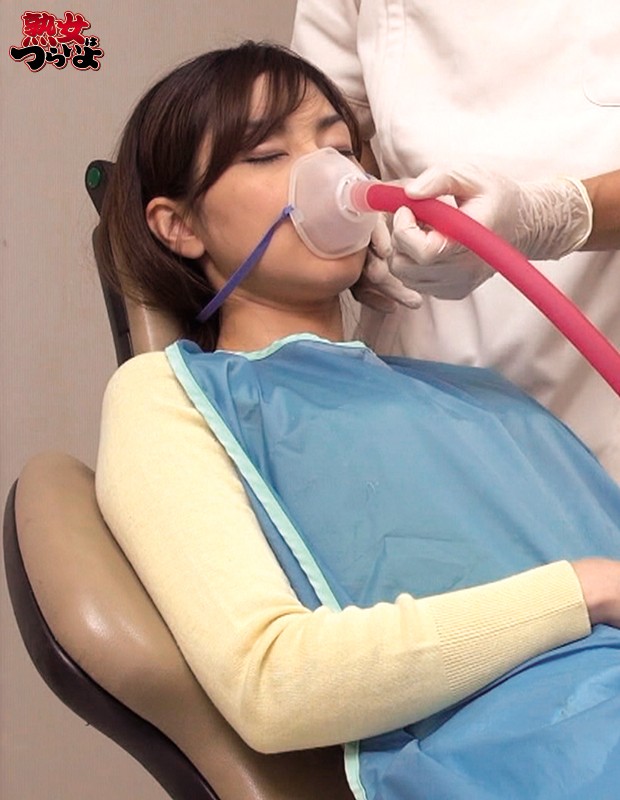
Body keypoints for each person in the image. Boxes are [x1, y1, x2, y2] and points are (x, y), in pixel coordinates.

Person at [95, 42, 620, 800]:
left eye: (340, 149)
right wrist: (585, 589)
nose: (328, 176)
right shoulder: (173, 394)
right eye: (267, 153)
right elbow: (274, 683)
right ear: (178, 225)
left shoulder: (481, 398)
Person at [291, 0, 620, 481]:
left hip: (602, 387)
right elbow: (320, 130)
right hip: (424, 378)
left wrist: (556, 214)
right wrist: (360, 224)